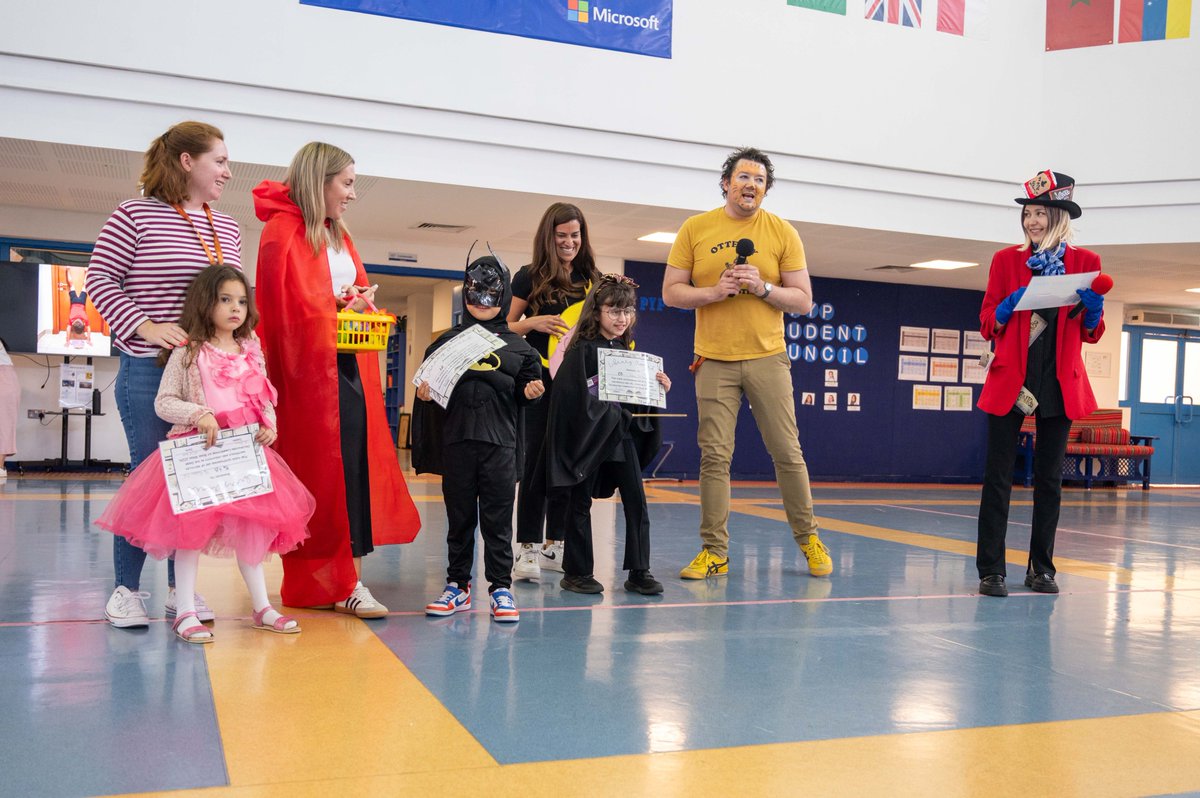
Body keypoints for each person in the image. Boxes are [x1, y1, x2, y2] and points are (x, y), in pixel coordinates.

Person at [95, 266, 315, 641]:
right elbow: (164, 402)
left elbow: (263, 393)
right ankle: (184, 611)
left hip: (244, 454)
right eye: (225, 300)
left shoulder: (250, 347)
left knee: (252, 530)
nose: (235, 309)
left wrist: (269, 424)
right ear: (204, 303)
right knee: (190, 534)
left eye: (242, 301)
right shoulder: (188, 349)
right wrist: (199, 414)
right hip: (198, 454)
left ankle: (261, 606)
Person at [254, 142, 420, 616]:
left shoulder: (335, 234)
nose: (351, 194)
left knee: (351, 471)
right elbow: (285, 315)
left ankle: (347, 578)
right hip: (308, 377)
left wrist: (355, 300)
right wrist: (337, 309)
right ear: (318, 181)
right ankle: (329, 582)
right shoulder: (282, 233)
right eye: (346, 183)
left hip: (344, 366)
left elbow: (330, 297)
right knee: (320, 476)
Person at [87, 120, 242, 628]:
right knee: (149, 479)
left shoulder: (229, 228)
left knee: (194, 482)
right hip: (150, 371)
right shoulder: (134, 214)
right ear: (185, 161)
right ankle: (126, 592)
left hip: (209, 378)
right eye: (218, 160)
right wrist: (146, 325)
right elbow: (99, 280)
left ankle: (184, 591)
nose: (227, 170)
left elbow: (230, 302)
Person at [663, 146, 833, 580]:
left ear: (765, 190)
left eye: (759, 180)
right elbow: (671, 292)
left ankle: (809, 539)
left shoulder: (782, 232)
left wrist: (762, 288)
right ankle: (714, 551)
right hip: (713, 359)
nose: (750, 185)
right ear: (726, 183)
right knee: (714, 457)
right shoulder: (695, 228)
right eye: (743, 177)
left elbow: (803, 300)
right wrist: (713, 292)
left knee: (786, 452)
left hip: (767, 357)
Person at [975, 171, 1105, 598]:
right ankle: (991, 569)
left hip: (1058, 381)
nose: (1031, 221)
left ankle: (1041, 569)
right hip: (1011, 378)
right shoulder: (1005, 261)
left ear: (1060, 217)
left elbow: (1092, 333)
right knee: (998, 478)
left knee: (1049, 480)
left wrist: (1091, 312)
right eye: (1027, 213)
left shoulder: (1085, 262)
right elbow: (986, 322)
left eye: (1040, 214)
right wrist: (1006, 308)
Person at [413, 252, 544, 622]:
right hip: (458, 444)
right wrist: (425, 396)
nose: (482, 301)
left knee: (498, 520)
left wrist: (530, 392)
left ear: (502, 296)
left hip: (500, 446)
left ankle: (500, 587)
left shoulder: (521, 349)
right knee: (459, 519)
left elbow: (524, 395)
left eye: (490, 292)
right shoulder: (444, 344)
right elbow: (432, 394)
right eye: (475, 292)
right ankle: (458, 585)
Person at [543, 274, 670, 595]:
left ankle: (639, 571)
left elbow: (635, 402)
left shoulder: (626, 352)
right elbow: (571, 398)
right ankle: (577, 571)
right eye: (614, 310)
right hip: (589, 439)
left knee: (636, 502)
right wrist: (607, 411)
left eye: (627, 311)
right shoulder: (581, 351)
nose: (621, 318)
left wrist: (657, 388)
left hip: (620, 437)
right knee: (579, 501)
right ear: (596, 311)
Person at [507, 203, 603, 580]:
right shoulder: (528, 277)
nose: (568, 242)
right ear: (549, 237)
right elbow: (504, 327)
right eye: (561, 235)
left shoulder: (592, 278)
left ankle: (555, 544)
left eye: (575, 235)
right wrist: (534, 322)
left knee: (568, 464)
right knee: (534, 466)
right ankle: (527, 548)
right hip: (537, 385)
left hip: (577, 387)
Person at [0, 336, 16, 479]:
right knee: (4, 425)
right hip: (8, 382)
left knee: (3, 426)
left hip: (4, 382)